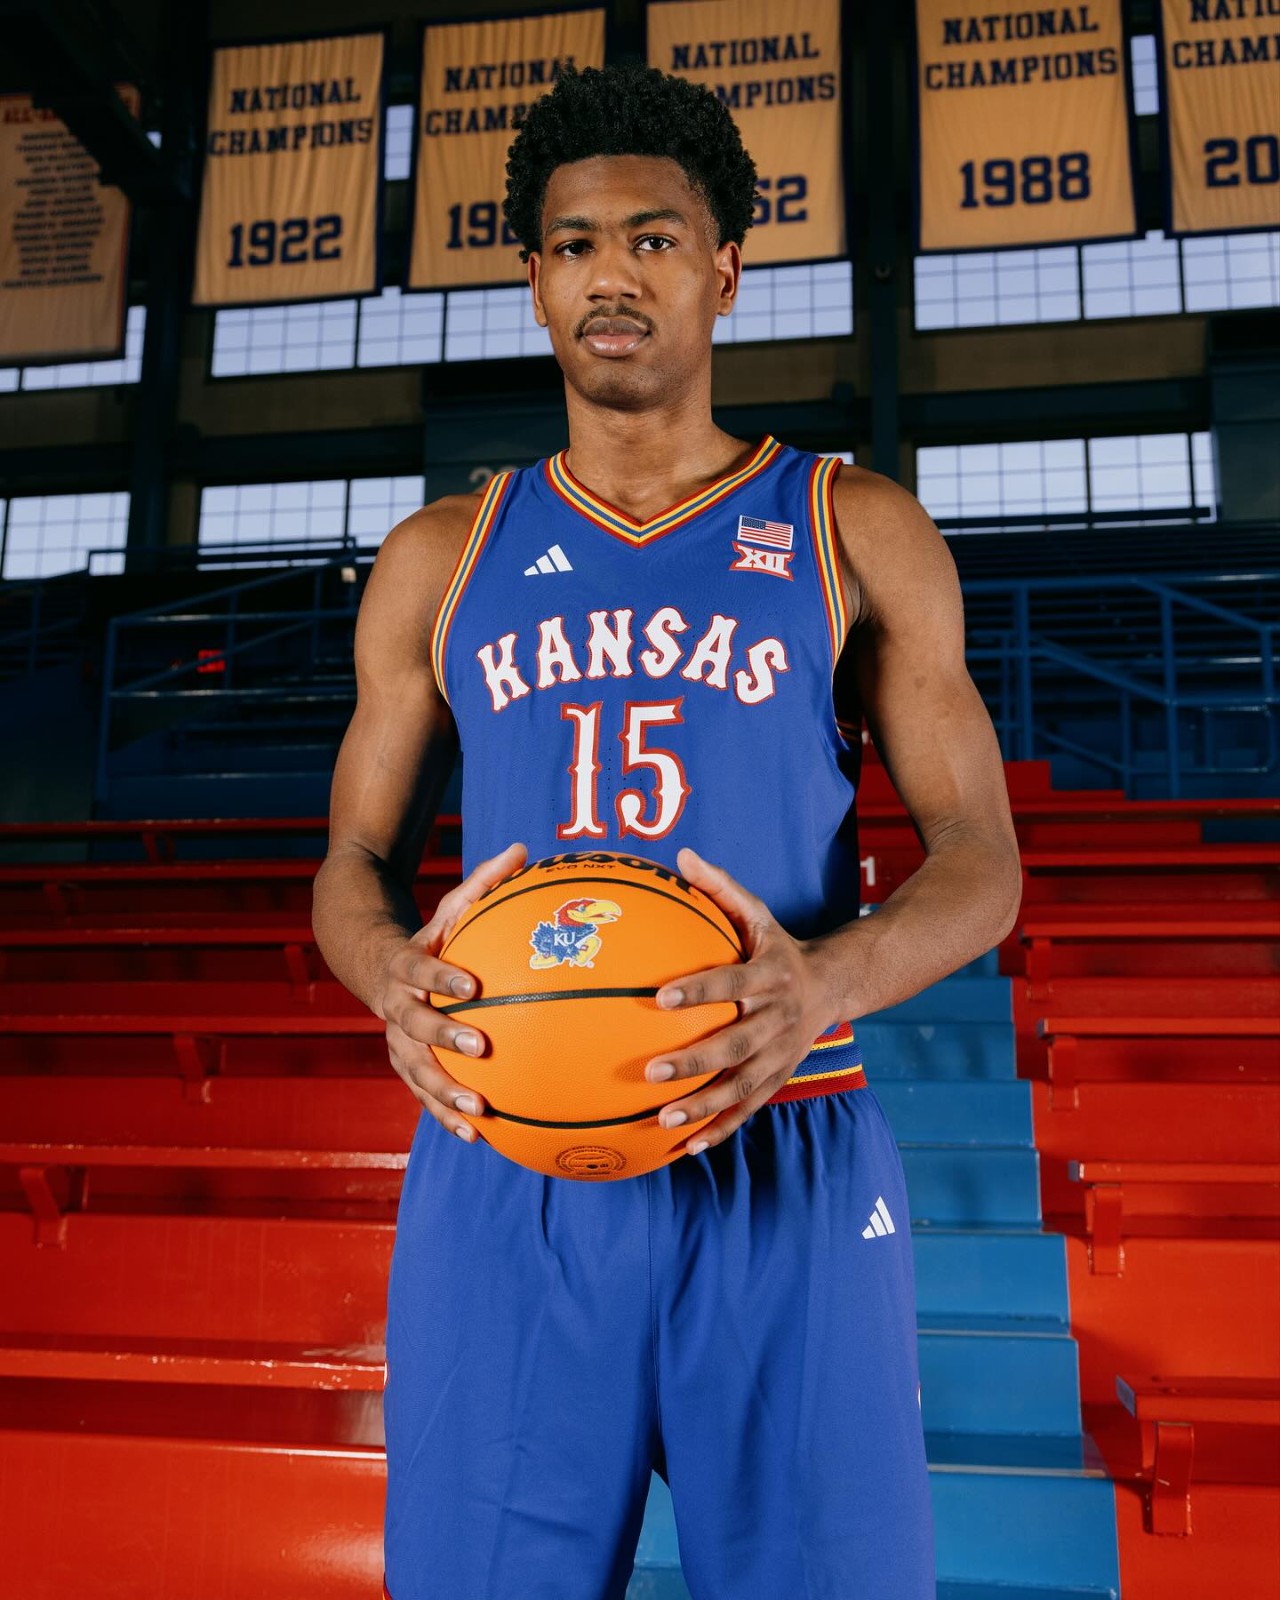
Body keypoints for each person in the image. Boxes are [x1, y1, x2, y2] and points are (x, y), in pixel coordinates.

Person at [311, 60, 1022, 1600]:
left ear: (725, 271)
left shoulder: (851, 525)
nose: (611, 276)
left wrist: (823, 984)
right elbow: (352, 866)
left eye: (652, 239)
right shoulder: (442, 555)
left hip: (782, 1129)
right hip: (506, 1143)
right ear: (534, 280)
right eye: (573, 244)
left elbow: (982, 859)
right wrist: (387, 977)